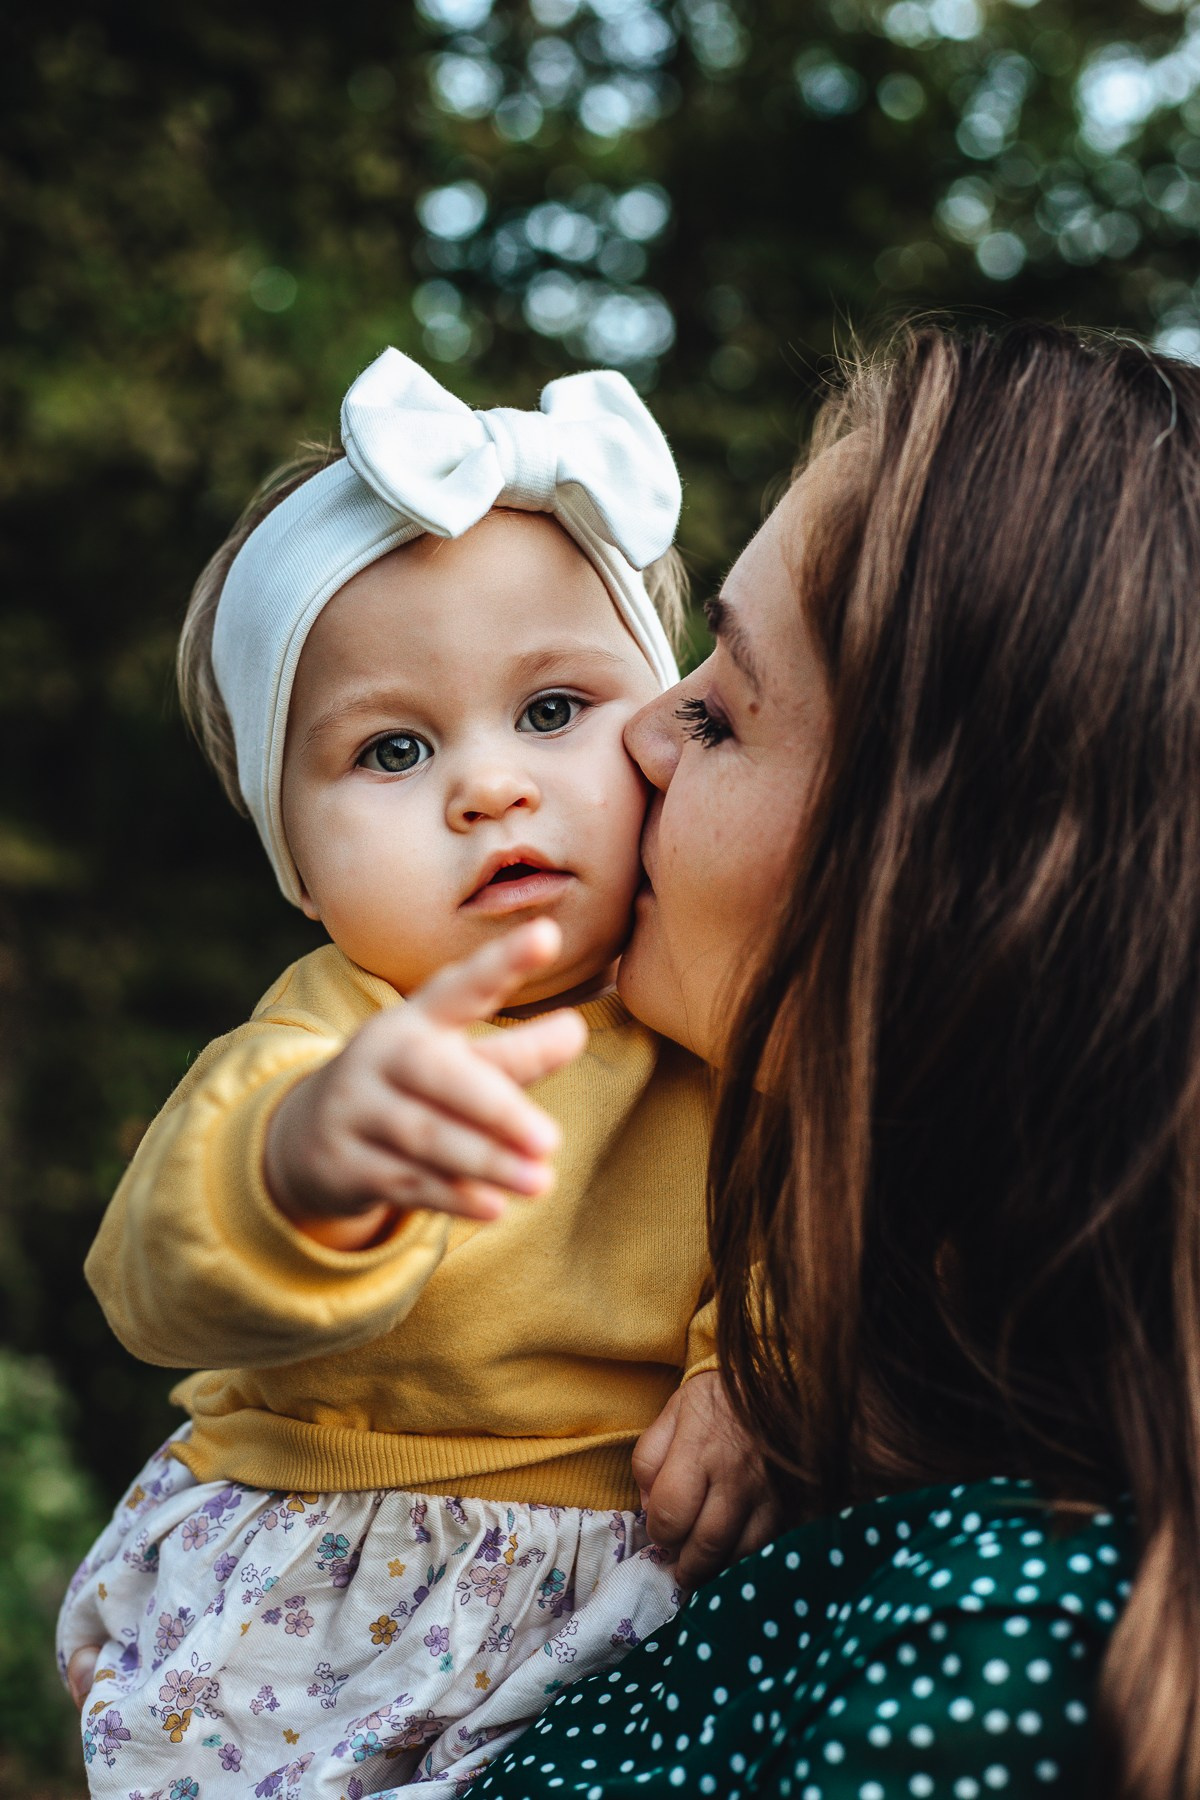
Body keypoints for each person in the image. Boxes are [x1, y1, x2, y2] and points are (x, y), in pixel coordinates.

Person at [460, 322, 1200, 1800]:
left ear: (947, 892)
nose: (635, 742)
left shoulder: (997, 1653)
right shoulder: (829, 1421)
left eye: (723, 710)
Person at [56, 350, 773, 1800]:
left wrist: (764, 1364)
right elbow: (150, 1275)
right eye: (393, 747)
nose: (490, 786)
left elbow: (842, 1203)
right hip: (311, 1590)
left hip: (626, 1581)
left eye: (555, 710)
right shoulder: (330, 1036)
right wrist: (301, 1172)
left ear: (664, 729)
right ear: (299, 868)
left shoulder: (723, 1002)